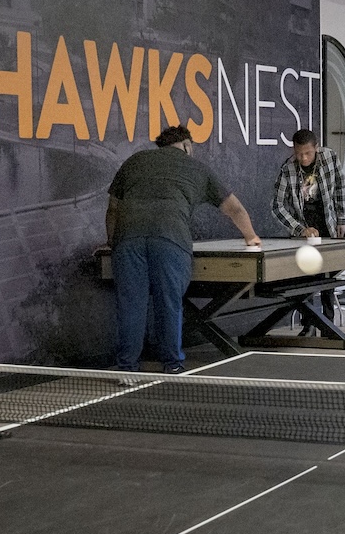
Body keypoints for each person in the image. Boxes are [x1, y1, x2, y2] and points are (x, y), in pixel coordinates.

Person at [105, 122, 260, 373]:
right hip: (170, 238)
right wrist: (251, 237)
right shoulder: (196, 167)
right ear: (187, 145)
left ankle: (127, 368)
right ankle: (172, 366)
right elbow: (235, 209)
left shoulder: (133, 162)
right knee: (169, 303)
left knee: (131, 304)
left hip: (128, 239)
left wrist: (112, 242)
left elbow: (113, 209)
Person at [270, 126, 345, 327]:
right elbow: (276, 206)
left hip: (327, 222)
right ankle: (309, 324)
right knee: (305, 277)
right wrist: (299, 229)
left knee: (328, 274)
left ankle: (328, 323)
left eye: (308, 153)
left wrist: (341, 219)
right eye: (298, 153)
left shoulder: (329, 158)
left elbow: (340, 186)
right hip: (303, 226)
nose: (303, 158)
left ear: (317, 148)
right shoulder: (288, 169)